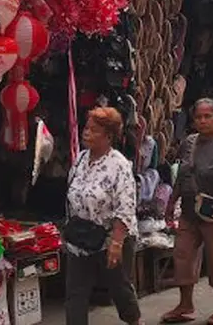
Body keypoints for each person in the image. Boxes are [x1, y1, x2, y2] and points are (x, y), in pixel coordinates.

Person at [161, 99, 213, 325]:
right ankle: (185, 305)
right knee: (183, 254)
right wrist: (171, 202)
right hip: (190, 209)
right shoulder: (189, 142)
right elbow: (182, 174)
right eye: (198, 117)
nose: (203, 121)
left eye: (208, 116)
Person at [64, 107, 141, 325]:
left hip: (110, 237)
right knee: (75, 293)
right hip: (81, 237)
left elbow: (125, 207)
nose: (86, 132)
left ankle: (134, 321)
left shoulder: (119, 165)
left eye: (94, 130)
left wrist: (116, 243)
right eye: (86, 128)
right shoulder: (80, 159)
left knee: (119, 288)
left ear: (108, 136)